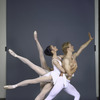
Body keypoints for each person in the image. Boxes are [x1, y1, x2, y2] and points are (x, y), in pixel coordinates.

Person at [45, 32, 93, 100]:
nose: (73, 46)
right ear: (68, 48)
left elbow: (81, 48)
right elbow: (69, 74)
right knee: (49, 98)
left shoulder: (73, 56)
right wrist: (75, 68)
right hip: (61, 81)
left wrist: (89, 40)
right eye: (71, 46)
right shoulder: (66, 60)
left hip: (66, 82)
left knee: (77, 95)